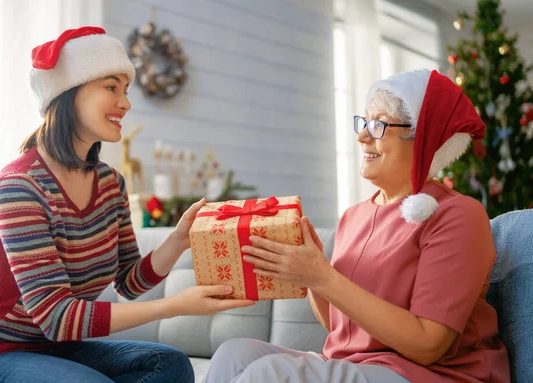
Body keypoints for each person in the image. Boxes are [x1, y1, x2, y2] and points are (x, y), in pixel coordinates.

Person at [0, 26, 254, 383]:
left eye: (125, 90)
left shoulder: (110, 183)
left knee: (169, 364)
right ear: (67, 94)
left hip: (59, 349)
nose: (125, 102)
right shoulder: (20, 186)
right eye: (111, 87)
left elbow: (127, 282)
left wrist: (178, 240)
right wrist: (174, 307)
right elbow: (57, 317)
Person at [203, 69, 511, 383]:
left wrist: (322, 277)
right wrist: (313, 275)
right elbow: (343, 331)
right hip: (364, 366)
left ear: (425, 137)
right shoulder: (354, 217)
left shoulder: (457, 214)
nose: (363, 136)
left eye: (379, 125)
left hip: (432, 375)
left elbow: (427, 345)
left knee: (268, 373)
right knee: (234, 353)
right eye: (364, 122)